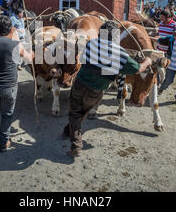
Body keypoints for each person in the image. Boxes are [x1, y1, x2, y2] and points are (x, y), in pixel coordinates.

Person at [62, 21, 154, 158]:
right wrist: (148, 61)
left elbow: (83, 58)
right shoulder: (121, 53)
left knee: (75, 112)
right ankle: (72, 135)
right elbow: (138, 69)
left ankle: (75, 143)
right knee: (83, 111)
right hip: (97, 90)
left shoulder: (91, 44)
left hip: (80, 84)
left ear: (100, 34)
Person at [0, 15, 32, 152]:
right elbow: (29, 59)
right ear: (11, 29)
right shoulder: (16, 45)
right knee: (7, 114)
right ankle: (3, 142)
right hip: (8, 86)